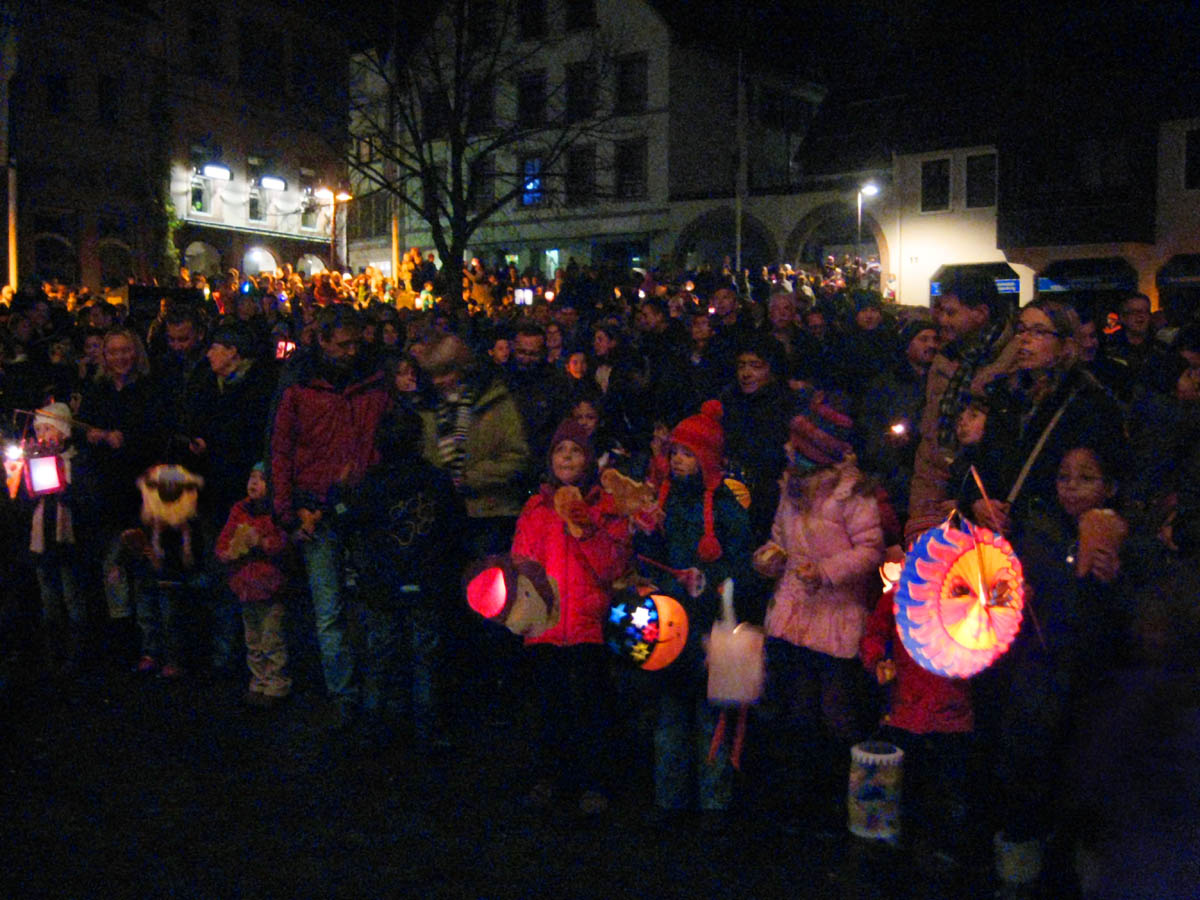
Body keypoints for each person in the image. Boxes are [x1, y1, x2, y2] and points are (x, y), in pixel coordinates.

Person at [752, 394, 884, 832]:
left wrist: (827, 571)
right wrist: (771, 555)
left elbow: (870, 550)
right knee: (797, 709)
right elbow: (779, 536)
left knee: (835, 712)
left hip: (833, 615)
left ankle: (838, 802)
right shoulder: (791, 489)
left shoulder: (850, 496)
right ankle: (798, 800)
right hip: (795, 611)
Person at [269, 305, 390, 729]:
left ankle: (371, 691)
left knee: (368, 604)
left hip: (363, 506)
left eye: (356, 343)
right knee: (329, 608)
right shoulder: (300, 386)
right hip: (316, 508)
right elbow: (281, 450)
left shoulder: (374, 382)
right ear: (322, 340)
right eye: (344, 344)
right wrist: (286, 512)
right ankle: (344, 693)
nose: (351, 352)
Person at [636, 400, 752, 819]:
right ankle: (670, 801)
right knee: (668, 721)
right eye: (675, 452)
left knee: (710, 721)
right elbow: (648, 558)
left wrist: (713, 579)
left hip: (709, 629)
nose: (679, 460)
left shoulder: (726, 509)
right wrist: (645, 543)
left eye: (688, 453)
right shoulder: (662, 504)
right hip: (669, 625)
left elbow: (742, 567)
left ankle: (715, 805)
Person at [511, 419, 631, 815]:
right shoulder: (536, 509)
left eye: (575, 450)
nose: (566, 457)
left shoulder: (605, 509)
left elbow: (612, 568)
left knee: (590, 707)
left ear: (587, 460)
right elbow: (523, 562)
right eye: (560, 450)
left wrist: (586, 529)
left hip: (584, 627)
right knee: (547, 707)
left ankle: (593, 782)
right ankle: (547, 778)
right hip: (544, 626)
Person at [333, 405, 466, 751]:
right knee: (425, 658)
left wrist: (339, 494)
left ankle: (374, 728)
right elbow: (455, 527)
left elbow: (347, 523)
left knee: (380, 657)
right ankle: (428, 730)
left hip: (382, 583)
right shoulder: (435, 480)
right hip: (426, 582)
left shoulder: (372, 483)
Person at [906, 271, 1019, 542]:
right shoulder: (947, 357)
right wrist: (922, 514)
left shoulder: (1010, 362)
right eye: (941, 311)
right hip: (936, 493)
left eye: (951, 313)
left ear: (980, 313)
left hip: (985, 505)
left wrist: (968, 499)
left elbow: (1008, 447)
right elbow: (932, 441)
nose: (942, 321)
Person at [214, 463, 291, 707]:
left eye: (261, 478)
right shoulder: (239, 509)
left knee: (272, 638)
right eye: (251, 477)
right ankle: (258, 681)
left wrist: (261, 541)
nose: (254, 482)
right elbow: (224, 539)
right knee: (253, 639)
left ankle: (276, 683)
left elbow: (283, 544)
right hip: (245, 588)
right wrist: (225, 552)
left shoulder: (276, 512)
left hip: (268, 588)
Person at [24, 403, 84, 675]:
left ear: (62, 432)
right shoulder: (34, 463)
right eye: (40, 429)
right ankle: (54, 652)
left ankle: (77, 654)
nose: (44, 434)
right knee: (49, 602)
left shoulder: (74, 463)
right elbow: (26, 502)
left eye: (49, 428)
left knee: (72, 598)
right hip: (42, 542)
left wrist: (61, 487)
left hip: (66, 542)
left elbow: (82, 501)